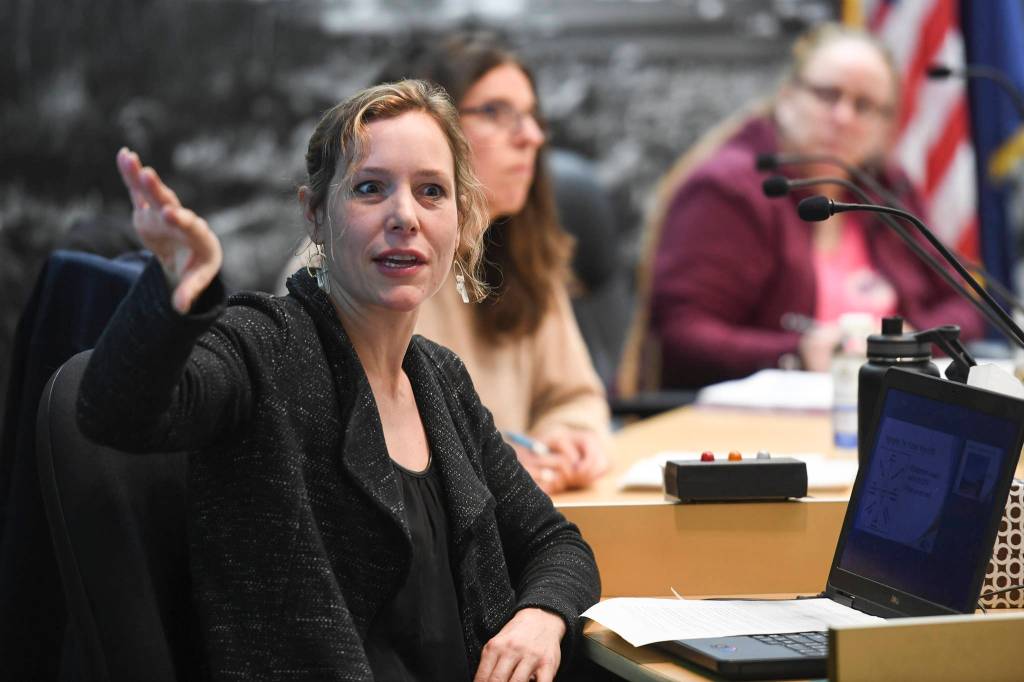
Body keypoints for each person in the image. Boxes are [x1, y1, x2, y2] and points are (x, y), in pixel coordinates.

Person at [77, 80, 599, 681]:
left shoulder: (441, 383)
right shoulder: (267, 345)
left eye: (432, 191)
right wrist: (174, 289)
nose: (404, 216)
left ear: (460, 220)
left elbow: (557, 544)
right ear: (315, 215)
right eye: (370, 189)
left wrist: (540, 618)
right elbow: (113, 409)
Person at [639, 23, 983, 390]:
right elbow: (683, 335)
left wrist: (910, 343)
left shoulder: (887, 191)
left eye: (864, 106)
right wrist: (798, 353)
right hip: (758, 423)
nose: (843, 118)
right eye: (827, 95)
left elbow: (964, 303)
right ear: (787, 97)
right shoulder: (728, 189)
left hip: (886, 405)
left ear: (886, 127)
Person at [409, 33, 612, 495]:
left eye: (532, 116)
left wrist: (569, 438)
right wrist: (493, 466)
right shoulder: (363, 257)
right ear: (430, 128)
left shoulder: (522, 250)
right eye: (497, 112)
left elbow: (574, 396)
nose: (532, 137)